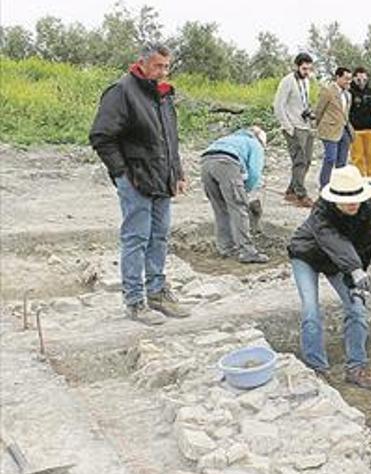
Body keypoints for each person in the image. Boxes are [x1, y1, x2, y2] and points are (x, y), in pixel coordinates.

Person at [89, 43, 190, 326]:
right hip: (135, 180)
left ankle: (157, 292)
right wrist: (122, 175)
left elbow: (170, 140)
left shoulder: (163, 95)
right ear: (142, 63)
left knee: (159, 237)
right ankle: (134, 301)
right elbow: (101, 136)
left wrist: (177, 172)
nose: (163, 71)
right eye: (158, 66)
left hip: (162, 179)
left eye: (166, 66)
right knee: (136, 238)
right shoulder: (122, 91)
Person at [287, 166, 371, 389]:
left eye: (356, 198)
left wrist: (359, 276)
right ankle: (317, 369)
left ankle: (357, 368)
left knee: (357, 307)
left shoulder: (369, 208)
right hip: (307, 255)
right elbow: (332, 240)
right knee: (311, 310)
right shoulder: (321, 210)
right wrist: (355, 269)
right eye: (346, 199)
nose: (352, 203)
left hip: (342, 263)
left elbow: (365, 246)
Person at [200, 126, 270, 264]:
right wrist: (245, 191)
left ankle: (226, 248)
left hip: (206, 164)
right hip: (226, 163)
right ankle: (247, 252)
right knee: (239, 208)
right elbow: (254, 173)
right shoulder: (254, 143)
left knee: (221, 209)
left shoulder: (230, 139)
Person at [274, 52, 316, 208]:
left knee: (308, 160)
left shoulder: (307, 81)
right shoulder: (287, 81)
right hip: (294, 127)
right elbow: (278, 105)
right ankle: (300, 194)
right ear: (297, 66)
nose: (307, 72)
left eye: (309, 69)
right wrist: (288, 127)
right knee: (299, 161)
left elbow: (303, 103)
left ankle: (291, 191)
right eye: (304, 69)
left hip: (306, 126)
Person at [315, 67, 354, 188]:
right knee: (330, 158)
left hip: (344, 129)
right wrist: (318, 126)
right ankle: (324, 185)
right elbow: (319, 110)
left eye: (350, 79)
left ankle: (339, 185)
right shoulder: (327, 91)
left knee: (342, 161)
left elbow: (345, 113)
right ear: (338, 77)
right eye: (346, 79)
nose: (348, 81)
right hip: (330, 130)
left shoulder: (348, 94)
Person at [348, 67, 371, 177]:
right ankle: (359, 181)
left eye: (364, 80)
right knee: (358, 158)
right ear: (354, 79)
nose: (362, 82)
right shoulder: (349, 92)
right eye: (359, 80)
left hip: (370, 129)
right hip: (356, 130)